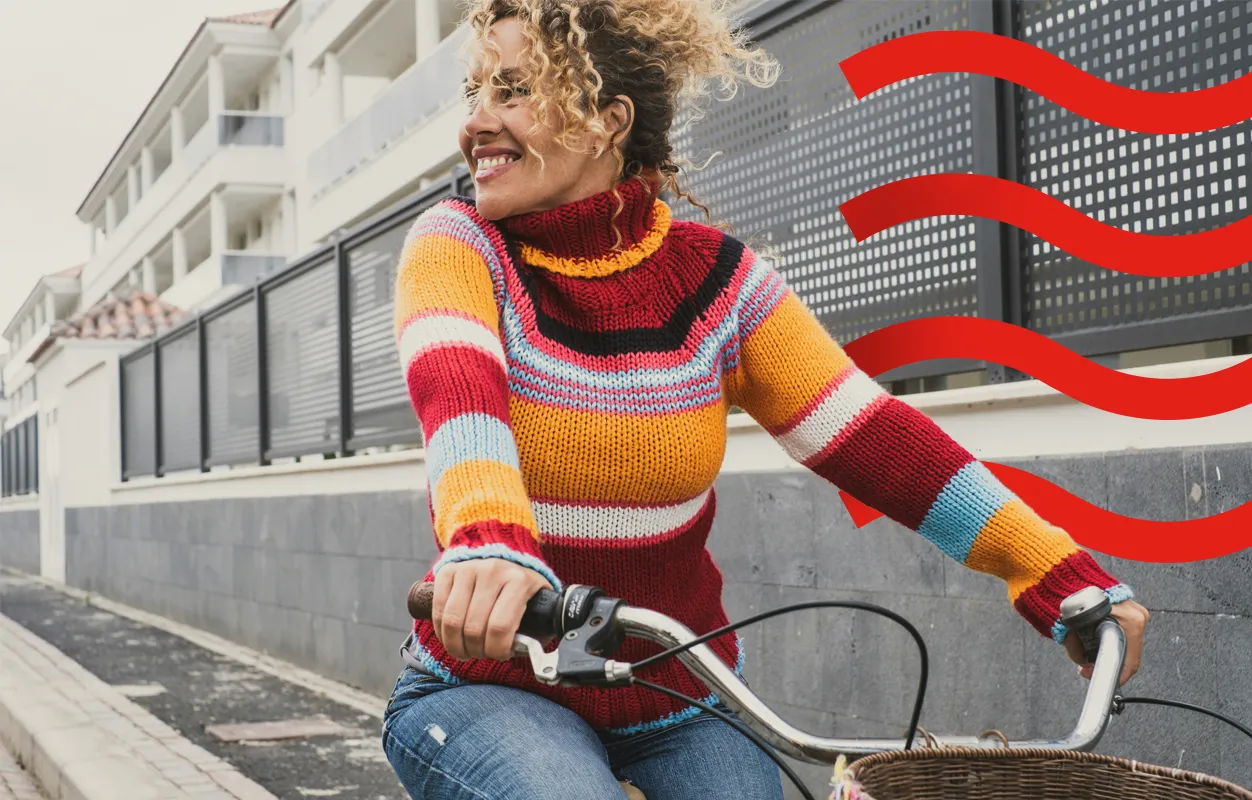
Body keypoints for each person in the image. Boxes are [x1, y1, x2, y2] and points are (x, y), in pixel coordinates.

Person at [382, 0, 1151, 796]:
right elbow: (460, 399)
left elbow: (875, 436)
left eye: (512, 91)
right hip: (493, 688)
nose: (476, 122)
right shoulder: (457, 244)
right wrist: (489, 542)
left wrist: (1054, 570)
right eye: (475, 93)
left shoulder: (716, 279)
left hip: (677, 693)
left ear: (609, 119)